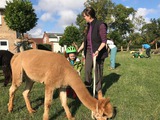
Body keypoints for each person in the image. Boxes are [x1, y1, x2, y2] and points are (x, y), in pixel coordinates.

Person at [77, 7, 108, 98]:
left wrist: (98, 51)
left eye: (85, 16)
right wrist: (78, 50)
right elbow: (85, 41)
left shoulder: (100, 25)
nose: (84, 18)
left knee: (97, 72)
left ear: (89, 15)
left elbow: (104, 41)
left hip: (98, 52)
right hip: (89, 52)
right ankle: (87, 86)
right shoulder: (88, 26)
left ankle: (98, 91)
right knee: (87, 70)